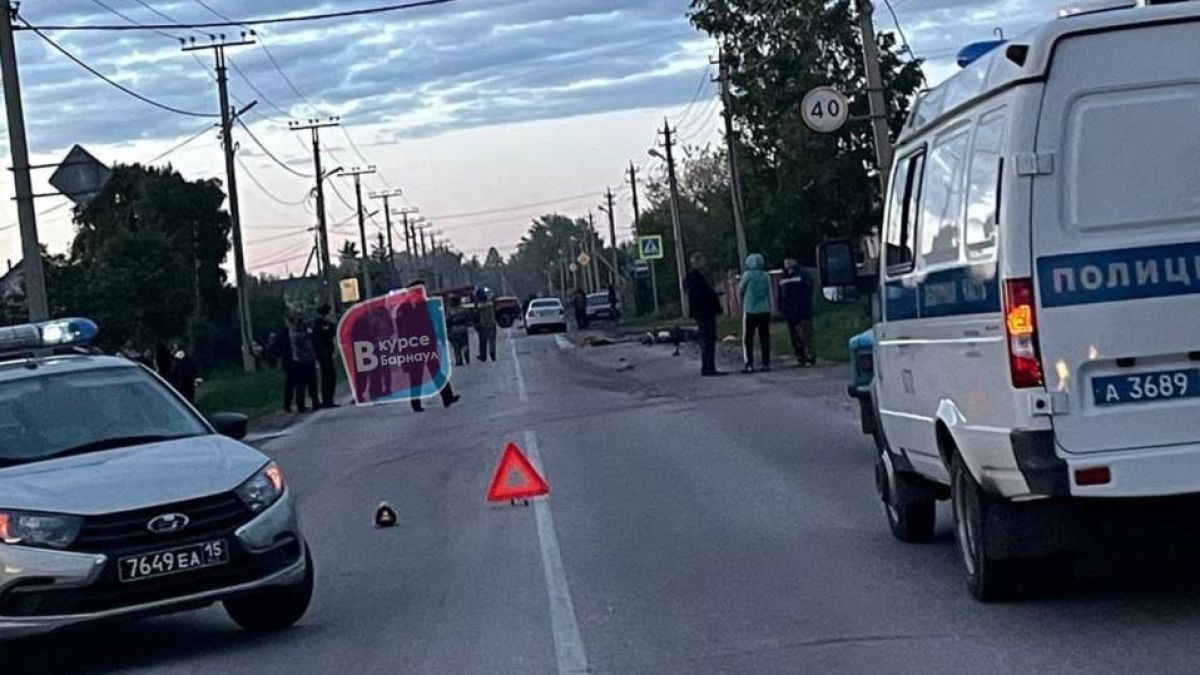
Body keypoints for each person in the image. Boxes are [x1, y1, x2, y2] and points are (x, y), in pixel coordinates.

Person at [684, 252, 725, 377]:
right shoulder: (697, 277)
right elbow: (703, 295)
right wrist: (714, 294)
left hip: (703, 311)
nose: (704, 263)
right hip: (704, 312)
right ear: (697, 262)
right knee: (708, 339)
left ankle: (708, 367)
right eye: (702, 260)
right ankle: (708, 368)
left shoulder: (694, 277)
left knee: (708, 339)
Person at [739, 253, 772, 373]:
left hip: (750, 310)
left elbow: (740, 290)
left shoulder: (747, 275)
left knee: (748, 338)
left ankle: (749, 363)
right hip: (764, 310)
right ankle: (766, 363)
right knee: (764, 337)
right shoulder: (765, 275)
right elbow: (769, 291)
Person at [778, 259, 815, 366]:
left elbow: (808, 291)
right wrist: (781, 307)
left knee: (806, 334)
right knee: (795, 336)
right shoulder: (783, 276)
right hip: (790, 311)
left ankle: (809, 355)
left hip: (803, 310)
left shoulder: (803, 274)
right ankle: (800, 356)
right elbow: (781, 293)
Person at [288, 309, 319, 413]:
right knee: (301, 384)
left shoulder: (304, 328)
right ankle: (300, 405)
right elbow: (297, 340)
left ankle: (315, 402)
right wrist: (307, 334)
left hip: (309, 358)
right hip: (300, 360)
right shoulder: (294, 331)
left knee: (312, 383)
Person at [312, 304, 339, 408]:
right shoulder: (318, 324)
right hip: (323, 353)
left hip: (328, 352)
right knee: (327, 376)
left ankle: (329, 399)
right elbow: (318, 338)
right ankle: (327, 400)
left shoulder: (327, 323)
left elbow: (332, 330)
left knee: (330, 376)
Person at [474, 288, 498, 362]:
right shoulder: (490, 302)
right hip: (492, 323)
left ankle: (483, 356)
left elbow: (475, 313)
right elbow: (494, 297)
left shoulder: (479, 305)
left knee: (483, 342)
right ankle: (492, 353)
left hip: (483, 325)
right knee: (492, 340)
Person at [447, 296, 472, 366]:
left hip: (454, 329)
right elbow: (468, 317)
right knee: (465, 343)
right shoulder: (463, 309)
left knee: (456, 346)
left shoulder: (450, 311)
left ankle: (459, 360)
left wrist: (448, 331)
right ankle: (467, 357)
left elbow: (448, 321)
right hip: (463, 328)